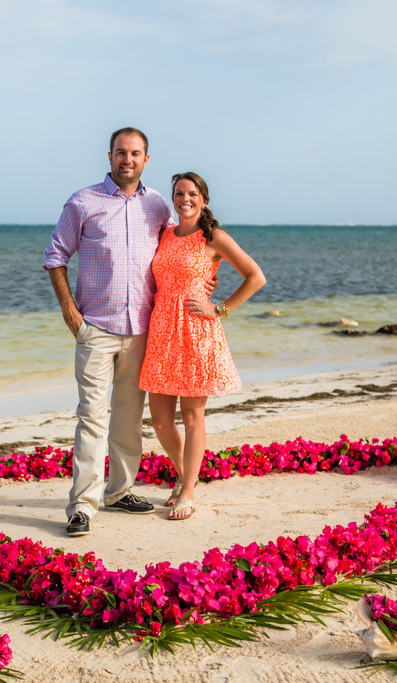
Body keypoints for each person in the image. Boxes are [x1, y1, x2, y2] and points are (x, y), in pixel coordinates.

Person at [43, 128, 215, 537]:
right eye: (121, 153)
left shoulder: (158, 205)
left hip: (144, 329)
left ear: (146, 159)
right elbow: (55, 255)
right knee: (91, 416)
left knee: (128, 416)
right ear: (109, 156)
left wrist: (206, 284)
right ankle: (82, 506)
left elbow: (183, 246)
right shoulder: (82, 201)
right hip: (96, 328)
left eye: (135, 153)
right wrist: (70, 311)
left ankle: (119, 490)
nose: (128, 160)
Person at [139, 172, 266, 520]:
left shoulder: (214, 238)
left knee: (193, 415)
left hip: (196, 330)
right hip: (162, 330)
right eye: (179, 193)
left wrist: (219, 308)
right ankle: (185, 475)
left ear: (204, 200)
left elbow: (256, 276)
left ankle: (188, 491)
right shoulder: (164, 233)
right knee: (161, 421)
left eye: (192, 194)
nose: (185, 199)